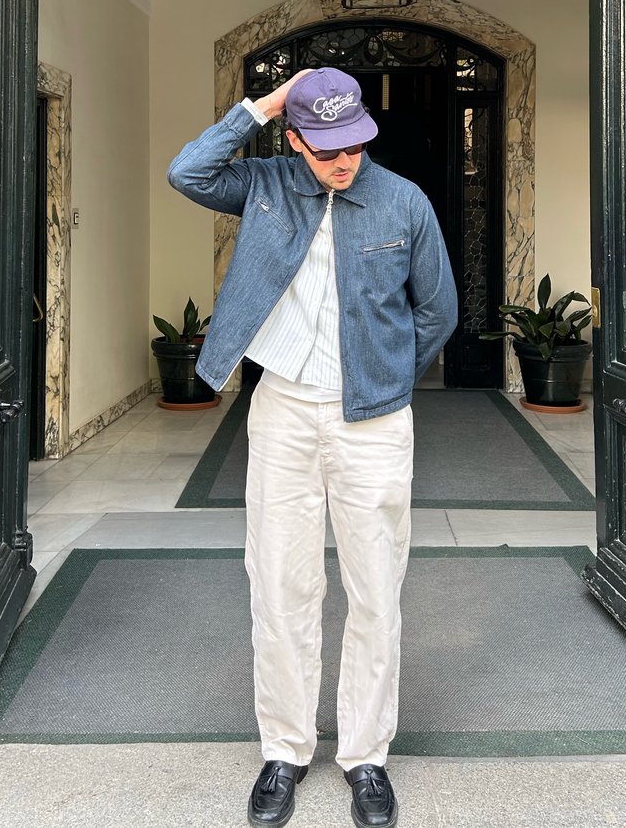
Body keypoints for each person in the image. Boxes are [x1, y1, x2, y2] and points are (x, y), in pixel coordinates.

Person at [168, 67, 457, 828]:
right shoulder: (263, 184)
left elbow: (438, 311)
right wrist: (258, 108)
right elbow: (187, 171)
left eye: (354, 143)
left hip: (374, 418)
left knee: (374, 588)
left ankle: (366, 757)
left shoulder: (404, 201)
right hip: (284, 411)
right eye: (324, 145)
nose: (342, 159)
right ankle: (286, 750)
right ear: (294, 139)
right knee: (281, 583)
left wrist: (384, 378)